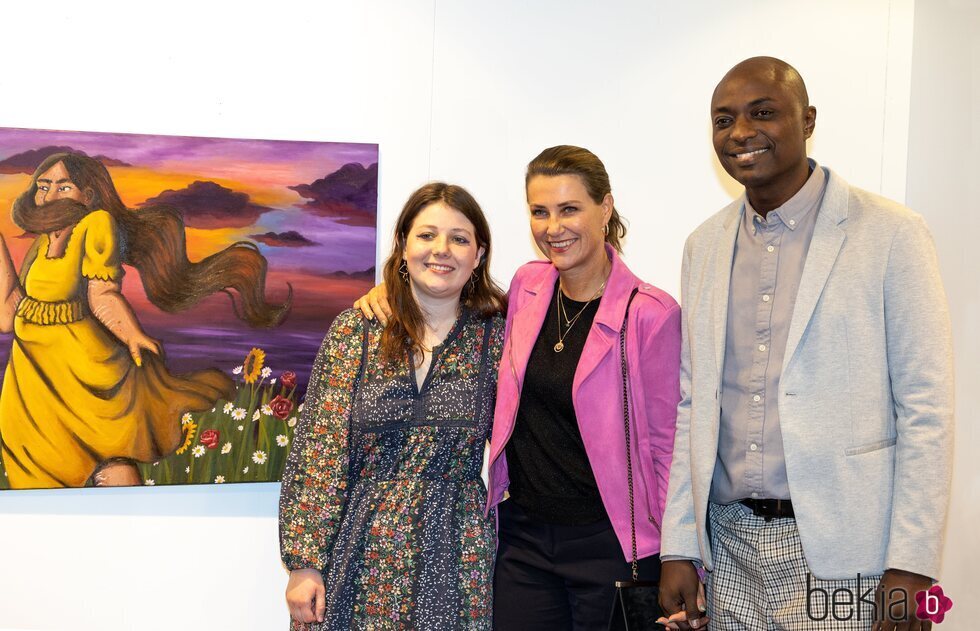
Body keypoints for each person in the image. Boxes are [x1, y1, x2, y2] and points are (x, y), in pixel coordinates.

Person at [658, 57, 954, 631]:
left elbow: (926, 408)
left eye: (762, 113)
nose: (741, 132)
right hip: (729, 544)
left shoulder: (892, 233)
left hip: (850, 551)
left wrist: (912, 563)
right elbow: (693, 404)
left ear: (808, 119)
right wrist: (681, 543)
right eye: (723, 120)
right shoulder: (705, 245)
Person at [356, 146, 681, 629]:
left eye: (569, 209)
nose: (553, 227)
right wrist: (392, 288)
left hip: (610, 545)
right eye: (539, 211)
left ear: (605, 207)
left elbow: (669, 449)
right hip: (522, 542)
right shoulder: (527, 288)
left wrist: (681, 554)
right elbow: (451, 297)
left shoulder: (650, 313)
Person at [279, 183, 506, 630]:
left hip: (456, 557)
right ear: (403, 245)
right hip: (357, 552)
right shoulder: (356, 330)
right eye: (426, 236)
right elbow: (319, 451)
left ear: (478, 256)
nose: (442, 250)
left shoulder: (499, 338)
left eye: (459, 239)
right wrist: (304, 562)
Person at [0, 152, 289, 489]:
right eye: (43, 186)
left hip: (80, 371)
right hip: (32, 376)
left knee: (108, 462)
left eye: (63, 187)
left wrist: (132, 334)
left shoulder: (95, 225)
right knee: (37, 469)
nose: (48, 196)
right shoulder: (40, 243)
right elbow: (9, 314)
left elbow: (102, 295)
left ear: (87, 196)